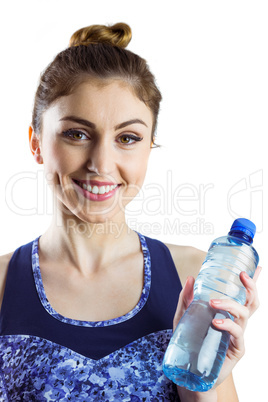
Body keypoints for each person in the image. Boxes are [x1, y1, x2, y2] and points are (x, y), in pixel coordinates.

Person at [0, 22, 261, 401]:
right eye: (77, 133)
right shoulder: (3, 286)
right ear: (36, 142)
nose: (101, 164)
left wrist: (206, 381)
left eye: (127, 138)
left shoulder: (195, 278)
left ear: (149, 146)